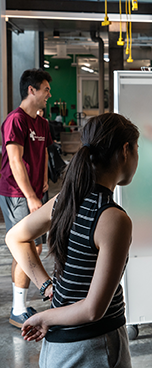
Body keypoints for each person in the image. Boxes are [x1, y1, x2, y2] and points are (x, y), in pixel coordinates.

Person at [5, 113, 139, 368]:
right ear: (125, 150)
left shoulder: (64, 202)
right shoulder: (113, 219)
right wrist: (45, 317)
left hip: (57, 349)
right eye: (137, 149)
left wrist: (46, 286)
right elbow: (92, 310)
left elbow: (15, 238)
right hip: (94, 349)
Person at [0, 69, 53, 328]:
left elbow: (41, 153)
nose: (49, 95)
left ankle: (20, 305)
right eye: (45, 89)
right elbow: (14, 160)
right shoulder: (15, 120)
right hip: (17, 193)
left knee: (36, 248)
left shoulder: (42, 123)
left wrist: (42, 185)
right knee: (25, 246)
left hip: (35, 192)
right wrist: (31, 195)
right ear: (31, 90)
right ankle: (18, 309)